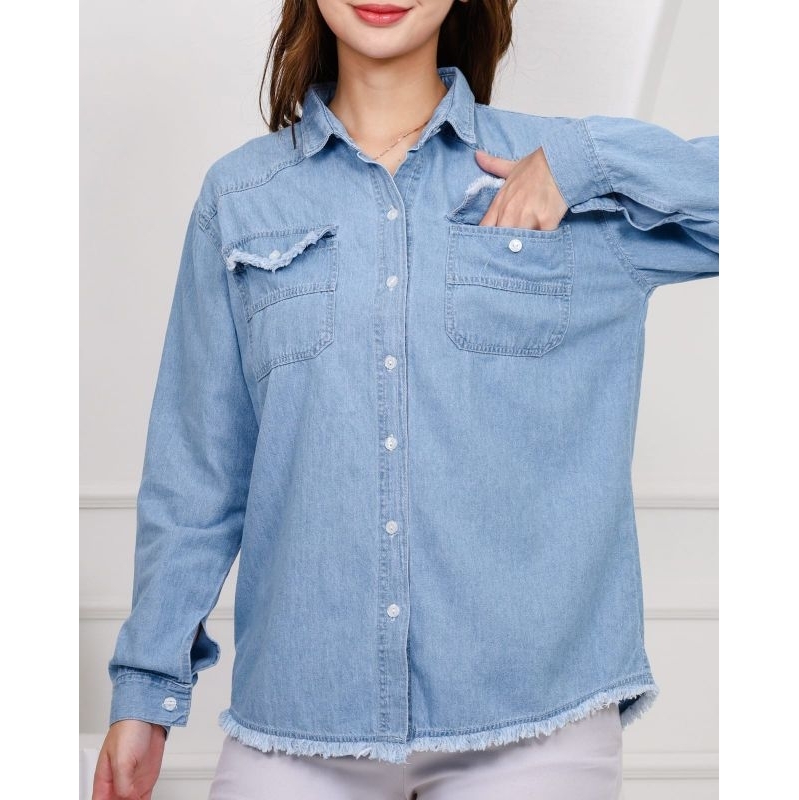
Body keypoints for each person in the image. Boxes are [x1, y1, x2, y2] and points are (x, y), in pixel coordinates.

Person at [91, 1, 719, 798]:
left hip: (536, 716)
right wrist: (145, 690)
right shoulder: (241, 198)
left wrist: (583, 162)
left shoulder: (556, 174)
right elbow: (197, 474)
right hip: (301, 714)